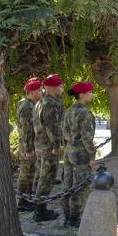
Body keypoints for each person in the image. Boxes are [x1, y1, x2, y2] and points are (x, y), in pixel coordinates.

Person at [61, 81, 97, 227]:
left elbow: (63, 133)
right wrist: (92, 156)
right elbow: (86, 138)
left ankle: (67, 216)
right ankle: (75, 219)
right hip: (81, 154)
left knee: (67, 184)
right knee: (80, 186)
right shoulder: (86, 113)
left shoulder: (68, 111)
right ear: (82, 95)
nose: (92, 94)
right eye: (89, 92)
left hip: (68, 151)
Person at [32, 73, 63, 222]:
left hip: (39, 144)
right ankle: (40, 212)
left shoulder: (39, 102)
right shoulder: (50, 103)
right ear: (54, 87)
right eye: (60, 86)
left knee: (40, 176)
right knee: (47, 178)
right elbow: (52, 127)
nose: (61, 89)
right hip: (48, 147)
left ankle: (39, 207)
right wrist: (57, 146)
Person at [16, 77, 43, 212]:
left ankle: (26, 198)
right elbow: (26, 130)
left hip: (32, 146)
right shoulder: (26, 107)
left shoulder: (32, 104)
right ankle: (22, 202)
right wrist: (28, 149)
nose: (42, 92)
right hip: (28, 147)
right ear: (32, 92)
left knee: (31, 173)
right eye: (39, 90)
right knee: (26, 174)